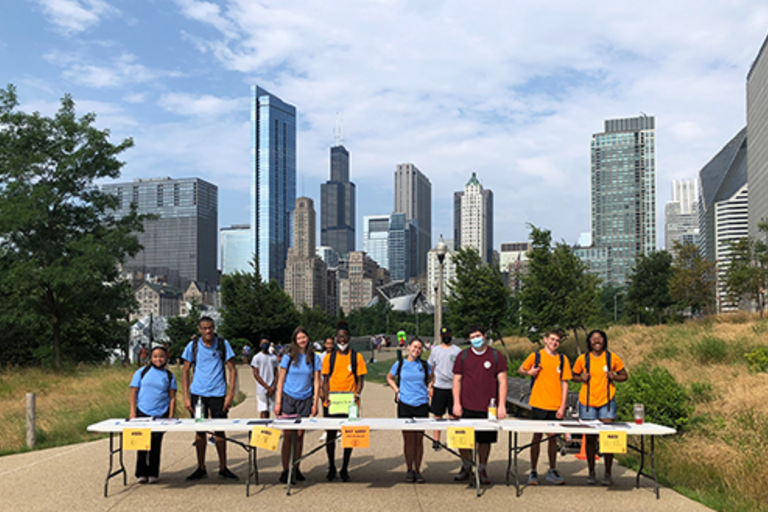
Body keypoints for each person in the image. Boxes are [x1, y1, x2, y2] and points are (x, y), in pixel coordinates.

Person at [181, 316, 239, 481]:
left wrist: (230, 394)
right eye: (204, 328)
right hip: (198, 394)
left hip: (218, 394)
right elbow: (185, 371)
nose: (208, 331)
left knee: (219, 429)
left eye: (210, 328)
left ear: (214, 328)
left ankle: (223, 467)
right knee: (200, 430)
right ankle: (200, 467)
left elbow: (232, 369)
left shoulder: (222, 344)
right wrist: (186, 396)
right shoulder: (193, 346)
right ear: (199, 330)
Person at [452, 324, 508, 485]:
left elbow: (502, 381)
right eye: (472, 337)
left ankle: (482, 468)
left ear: (484, 336)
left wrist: (502, 405)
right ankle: (466, 466)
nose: (475, 339)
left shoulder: (496, 355)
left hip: (489, 408)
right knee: (464, 439)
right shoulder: (463, 356)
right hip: (467, 405)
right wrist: (456, 403)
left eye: (478, 336)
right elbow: (457, 380)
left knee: (484, 441)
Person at [571, 329, 628, 486]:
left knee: (608, 438)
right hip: (587, 402)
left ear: (604, 340)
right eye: (593, 339)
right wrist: (581, 378)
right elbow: (572, 376)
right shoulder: (583, 359)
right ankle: (591, 471)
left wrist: (614, 377)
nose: (597, 341)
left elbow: (625, 375)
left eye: (599, 338)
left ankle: (608, 473)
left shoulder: (612, 358)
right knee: (590, 439)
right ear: (589, 341)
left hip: (606, 402)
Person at [519, 329, 573, 485]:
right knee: (536, 437)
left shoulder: (563, 359)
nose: (554, 342)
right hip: (539, 402)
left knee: (553, 438)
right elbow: (521, 369)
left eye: (557, 340)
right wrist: (530, 372)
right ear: (545, 339)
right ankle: (533, 470)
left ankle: (552, 469)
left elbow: (565, 382)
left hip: (555, 404)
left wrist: (563, 405)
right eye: (552, 339)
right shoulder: (536, 356)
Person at [274, 327, 322, 484]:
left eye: (304, 337)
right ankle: (285, 469)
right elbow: (280, 380)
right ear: (295, 340)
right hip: (289, 397)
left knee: (300, 436)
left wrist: (315, 403)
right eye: (299, 338)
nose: (302, 340)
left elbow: (316, 381)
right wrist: (278, 402)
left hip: (305, 398)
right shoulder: (289, 357)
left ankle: (296, 467)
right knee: (288, 436)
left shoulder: (314, 358)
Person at [322, 321, 367, 482]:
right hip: (333, 402)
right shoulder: (329, 358)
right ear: (335, 338)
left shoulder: (357, 357)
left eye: (345, 337)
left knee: (349, 435)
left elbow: (360, 379)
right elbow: (325, 379)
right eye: (339, 337)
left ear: (349, 338)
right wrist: (325, 396)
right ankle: (331, 466)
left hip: (350, 403)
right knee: (331, 436)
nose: (342, 340)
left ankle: (345, 467)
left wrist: (357, 394)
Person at [387, 337, 434, 483]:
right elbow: (389, 378)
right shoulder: (400, 364)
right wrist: (397, 390)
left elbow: (432, 377)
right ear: (408, 347)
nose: (416, 350)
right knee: (408, 439)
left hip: (421, 404)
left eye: (419, 348)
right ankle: (409, 469)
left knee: (419, 440)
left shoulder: (425, 365)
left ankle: (417, 470)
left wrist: (430, 387)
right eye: (414, 347)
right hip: (405, 405)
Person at [129, 345, 177, 484]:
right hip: (143, 411)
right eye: (155, 356)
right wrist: (133, 412)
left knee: (156, 444)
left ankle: (153, 473)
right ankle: (141, 472)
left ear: (166, 357)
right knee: (142, 444)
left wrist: (171, 415)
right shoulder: (142, 372)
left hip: (161, 413)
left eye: (161, 356)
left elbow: (172, 397)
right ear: (151, 357)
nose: (158, 359)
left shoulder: (169, 376)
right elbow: (133, 392)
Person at [428, 326, 462, 451]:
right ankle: (436, 440)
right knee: (437, 414)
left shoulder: (457, 350)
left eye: (447, 334)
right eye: (443, 335)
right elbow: (431, 367)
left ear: (451, 335)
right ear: (440, 337)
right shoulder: (436, 350)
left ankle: (452, 439)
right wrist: (431, 384)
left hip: (453, 387)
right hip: (439, 386)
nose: (445, 337)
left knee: (453, 415)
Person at [251, 335, 278, 419]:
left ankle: (267, 427)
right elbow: (256, 374)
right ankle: (262, 428)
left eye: (266, 343)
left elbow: (276, 372)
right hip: (262, 389)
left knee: (270, 410)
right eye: (263, 343)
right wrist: (266, 387)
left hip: (272, 387)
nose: (265, 345)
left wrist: (273, 386)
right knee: (263, 410)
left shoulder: (273, 357)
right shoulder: (257, 358)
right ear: (260, 345)